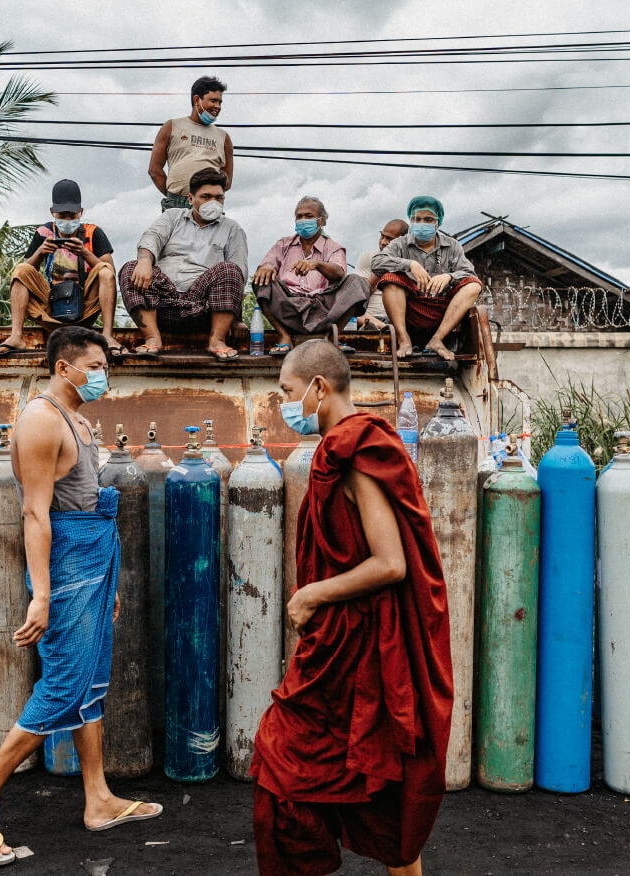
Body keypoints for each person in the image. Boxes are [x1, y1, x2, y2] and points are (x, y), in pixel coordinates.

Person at [0, 326, 162, 865]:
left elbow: (86, 501)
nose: (102, 375)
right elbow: (36, 513)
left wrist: (106, 582)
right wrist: (42, 595)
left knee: (90, 681)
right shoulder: (41, 419)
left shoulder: (78, 419)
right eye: (95, 366)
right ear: (64, 367)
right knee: (65, 682)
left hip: (93, 562)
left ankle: (98, 799)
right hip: (66, 566)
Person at [252, 340, 453, 876]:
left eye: (288, 392)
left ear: (319, 388)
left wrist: (310, 594)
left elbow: (391, 563)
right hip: (340, 644)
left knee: (282, 760)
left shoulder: (356, 451)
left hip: (361, 647)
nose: (285, 405)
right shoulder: (340, 446)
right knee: (378, 780)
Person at [120, 168, 248, 361]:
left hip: (203, 309)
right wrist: (145, 261)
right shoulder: (172, 217)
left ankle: (217, 340)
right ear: (190, 198)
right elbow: (151, 238)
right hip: (164, 305)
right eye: (206, 196)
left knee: (230, 270)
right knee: (132, 268)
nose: (212, 202)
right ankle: (152, 337)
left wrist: (237, 320)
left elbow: (239, 276)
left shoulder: (233, 229)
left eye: (218, 198)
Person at [0, 179, 124, 358]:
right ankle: (16, 336)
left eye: (72, 215)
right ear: (52, 212)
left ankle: (107, 335)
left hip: (84, 307)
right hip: (51, 306)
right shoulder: (43, 233)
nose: (67, 220)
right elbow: (24, 273)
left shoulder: (94, 232)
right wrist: (40, 252)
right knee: (21, 270)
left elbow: (110, 273)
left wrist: (84, 252)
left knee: (105, 270)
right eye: (62, 216)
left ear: (81, 212)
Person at [251, 196, 370, 354]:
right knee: (261, 279)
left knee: (358, 282)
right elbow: (268, 263)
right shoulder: (283, 244)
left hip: (323, 308)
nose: (303, 220)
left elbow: (339, 273)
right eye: (299, 216)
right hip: (288, 306)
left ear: (322, 221)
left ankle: (332, 337)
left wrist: (317, 265)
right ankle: (284, 337)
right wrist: (266, 266)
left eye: (309, 216)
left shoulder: (333, 247)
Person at [371, 197, 484, 361]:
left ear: (438, 223)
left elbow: (469, 273)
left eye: (428, 219)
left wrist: (449, 276)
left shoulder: (451, 246)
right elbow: (377, 263)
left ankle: (437, 340)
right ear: (411, 220)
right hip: (410, 312)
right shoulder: (400, 244)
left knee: (473, 285)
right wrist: (410, 264)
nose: (422, 223)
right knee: (390, 279)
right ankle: (403, 338)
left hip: (441, 312)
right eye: (417, 219)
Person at [149, 76, 233, 212]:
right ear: (196, 100)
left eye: (220, 102)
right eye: (213, 100)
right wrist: (175, 195)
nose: (217, 106)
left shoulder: (224, 138)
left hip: (210, 206)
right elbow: (154, 170)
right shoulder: (172, 126)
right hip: (175, 203)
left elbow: (227, 182)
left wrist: (207, 198)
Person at [354, 219, 409, 330]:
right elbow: (359, 297)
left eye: (389, 239)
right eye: (382, 236)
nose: (383, 242)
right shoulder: (368, 257)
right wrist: (380, 270)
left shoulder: (411, 264)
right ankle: (385, 328)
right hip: (369, 317)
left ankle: (390, 328)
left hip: (400, 318)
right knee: (346, 308)